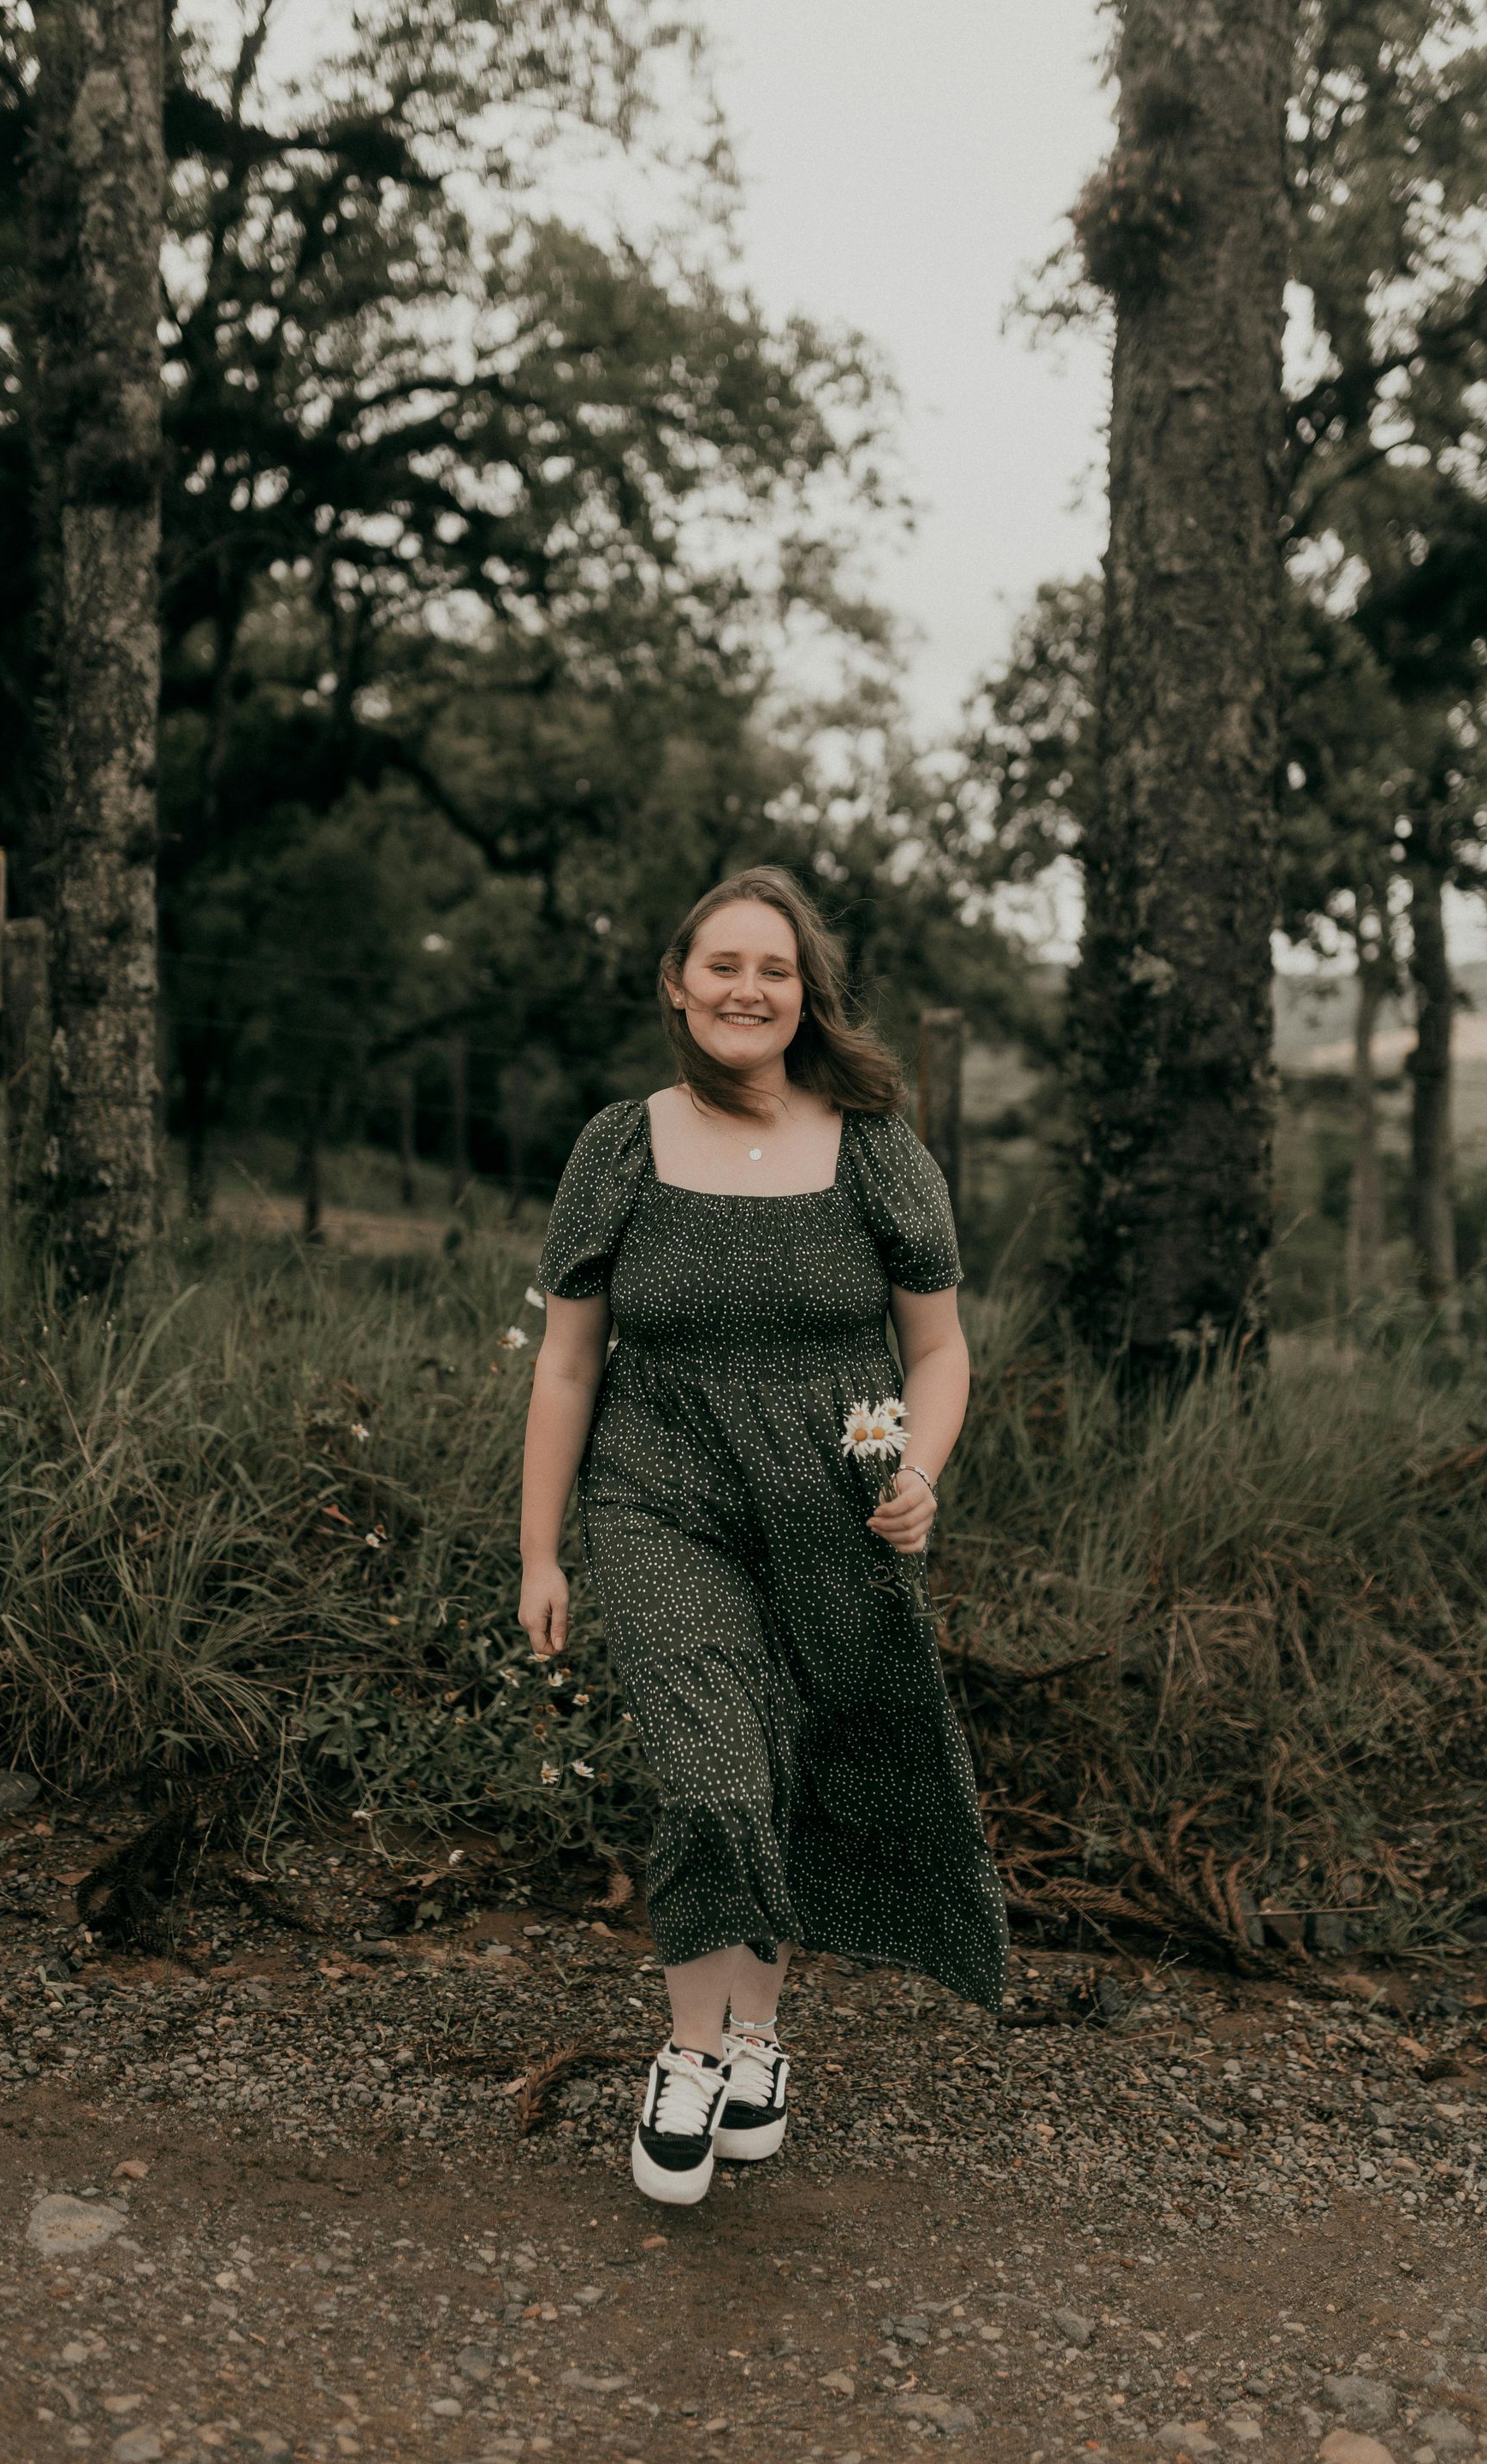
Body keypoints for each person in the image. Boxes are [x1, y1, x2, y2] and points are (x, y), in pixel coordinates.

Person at [518, 864, 1008, 2206]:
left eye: (774, 970)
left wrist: (916, 1468)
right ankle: (689, 2053)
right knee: (712, 1769)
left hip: (836, 1482)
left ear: (806, 995)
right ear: (678, 987)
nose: (748, 988)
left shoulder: (873, 1145)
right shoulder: (620, 1145)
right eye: (722, 965)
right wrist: (540, 1551)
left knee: (788, 1767)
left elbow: (940, 1347)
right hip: (658, 1491)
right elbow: (567, 1368)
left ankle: (759, 2040)